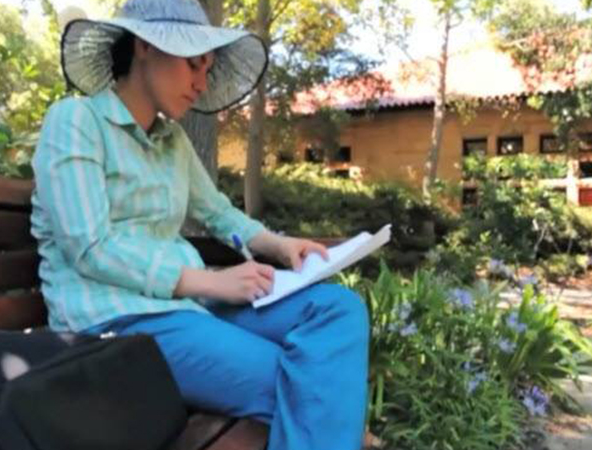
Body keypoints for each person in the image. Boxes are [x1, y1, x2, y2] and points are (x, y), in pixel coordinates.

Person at [29, 0, 369, 449]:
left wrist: (280, 245)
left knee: (338, 309)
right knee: (301, 379)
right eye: (193, 65)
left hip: (191, 306)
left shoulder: (173, 142)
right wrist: (208, 283)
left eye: (206, 70)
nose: (200, 84)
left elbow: (218, 213)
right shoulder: (76, 122)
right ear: (146, 47)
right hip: (116, 321)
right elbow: (89, 247)